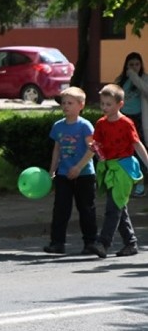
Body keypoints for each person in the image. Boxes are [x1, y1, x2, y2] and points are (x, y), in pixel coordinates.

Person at [85, 84, 148, 258]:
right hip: (109, 168)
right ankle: (131, 243)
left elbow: (136, 144)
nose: (104, 108)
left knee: (113, 207)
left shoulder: (126, 123)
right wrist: (96, 150)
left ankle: (103, 243)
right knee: (119, 207)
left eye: (109, 104)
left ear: (120, 104)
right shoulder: (101, 123)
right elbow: (97, 145)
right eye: (102, 104)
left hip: (124, 168)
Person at [43, 87, 98, 255]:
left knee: (86, 209)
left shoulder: (85, 126)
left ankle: (90, 243)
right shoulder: (58, 126)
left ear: (81, 105)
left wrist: (78, 167)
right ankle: (57, 243)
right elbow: (57, 149)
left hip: (84, 175)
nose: (66, 106)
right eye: (64, 103)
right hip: (63, 175)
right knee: (60, 209)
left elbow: (92, 149)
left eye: (70, 103)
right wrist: (53, 169)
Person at [114, 52, 148, 197]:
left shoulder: (144, 79)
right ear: (126, 66)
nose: (134, 67)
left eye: (137, 64)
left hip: (139, 119)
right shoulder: (120, 80)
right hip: (123, 119)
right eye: (131, 64)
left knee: (139, 151)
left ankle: (140, 183)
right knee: (123, 151)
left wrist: (134, 77)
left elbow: (146, 91)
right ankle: (125, 181)